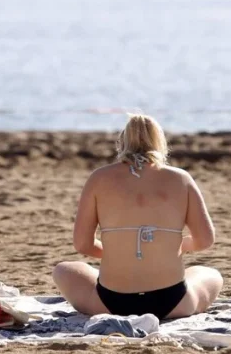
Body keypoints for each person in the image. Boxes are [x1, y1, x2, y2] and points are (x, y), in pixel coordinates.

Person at [52, 114, 222, 320]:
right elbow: (205, 240)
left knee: (63, 270)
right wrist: (171, 247)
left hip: (111, 303)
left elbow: (83, 245)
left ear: (123, 141)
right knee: (210, 274)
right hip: (174, 302)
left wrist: (121, 251)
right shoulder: (181, 178)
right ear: (160, 142)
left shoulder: (99, 178)